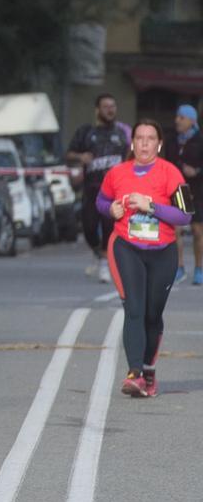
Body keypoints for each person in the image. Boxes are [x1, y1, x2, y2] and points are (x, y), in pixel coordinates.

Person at [98, 119, 190, 398]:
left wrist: (152, 206)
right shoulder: (116, 173)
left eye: (151, 138)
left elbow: (185, 215)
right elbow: (100, 201)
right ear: (133, 143)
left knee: (152, 314)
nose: (145, 143)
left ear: (159, 144)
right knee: (134, 308)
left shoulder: (170, 173)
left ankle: (148, 370)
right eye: (140, 138)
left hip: (163, 252)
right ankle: (134, 373)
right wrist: (110, 210)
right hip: (126, 246)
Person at [67, 93, 131, 283]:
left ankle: (104, 263)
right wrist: (80, 158)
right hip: (91, 188)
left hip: (113, 191)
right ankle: (97, 252)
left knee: (109, 225)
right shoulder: (86, 132)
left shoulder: (122, 134)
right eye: (106, 106)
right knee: (88, 227)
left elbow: (130, 157)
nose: (110, 110)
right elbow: (69, 154)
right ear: (97, 110)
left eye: (113, 106)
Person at [165, 104, 203, 284]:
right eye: (177, 117)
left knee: (197, 231)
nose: (177, 121)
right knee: (174, 230)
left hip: (198, 191)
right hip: (179, 190)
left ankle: (199, 268)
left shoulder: (200, 139)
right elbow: (167, 163)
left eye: (181, 118)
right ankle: (179, 267)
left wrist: (196, 171)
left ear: (192, 120)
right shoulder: (172, 140)